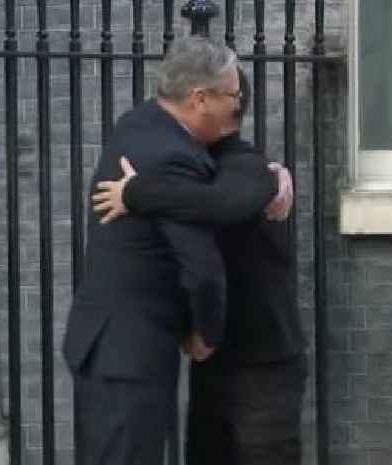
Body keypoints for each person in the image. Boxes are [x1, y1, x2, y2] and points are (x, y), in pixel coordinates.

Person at [62, 38, 279, 465]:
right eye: (233, 96)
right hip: (133, 352)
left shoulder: (139, 124)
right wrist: (207, 332)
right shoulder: (175, 156)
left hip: (105, 343)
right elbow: (201, 266)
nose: (239, 106)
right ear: (201, 99)